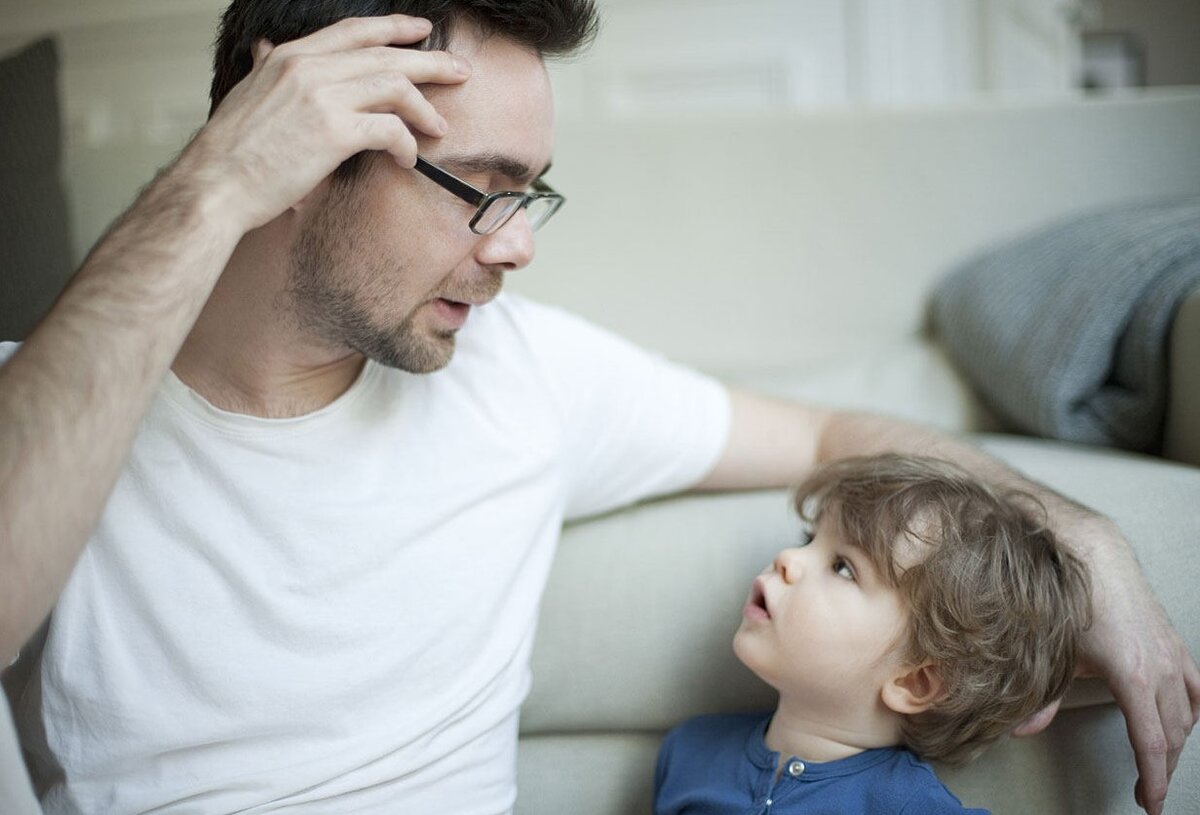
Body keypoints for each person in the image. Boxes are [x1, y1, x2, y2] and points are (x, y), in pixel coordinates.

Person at [0, 1, 1194, 812]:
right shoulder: (53, 398)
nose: (516, 246)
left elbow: (835, 439)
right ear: (296, 144)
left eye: (533, 194)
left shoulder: (527, 374)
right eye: (480, 187)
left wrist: (1085, 536)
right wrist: (214, 179)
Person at [654, 454, 1093, 814]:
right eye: (809, 539)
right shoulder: (691, 750)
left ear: (913, 681)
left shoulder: (909, 807)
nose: (788, 557)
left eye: (843, 567)